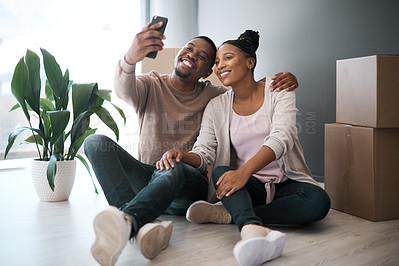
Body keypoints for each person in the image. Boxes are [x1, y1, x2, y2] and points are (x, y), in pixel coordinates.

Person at [84, 21, 299, 266]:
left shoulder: (214, 96)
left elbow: (245, 89)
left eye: (203, 57)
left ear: (208, 71)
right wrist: (129, 59)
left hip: (187, 184)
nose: (191, 55)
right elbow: (123, 89)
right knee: (94, 142)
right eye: (188, 49)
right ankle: (140, 225)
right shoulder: (150, 84)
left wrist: (282, 81)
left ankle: (129, 221)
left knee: (172, 166)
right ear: (178, 53)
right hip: (149, 182)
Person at [156, 30, 331, 265]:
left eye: (228, 58)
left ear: (250, 62)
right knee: (220, 173)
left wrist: (243, 171)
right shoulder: (217, 105)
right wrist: (183, 155)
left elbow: (283, 136)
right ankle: (250, 228)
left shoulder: (278, 90)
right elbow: (205, 152)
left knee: (319, 202)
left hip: (285, 182)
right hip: (248, 186)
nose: (220, 66)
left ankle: (229, 213)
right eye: (217, 62)